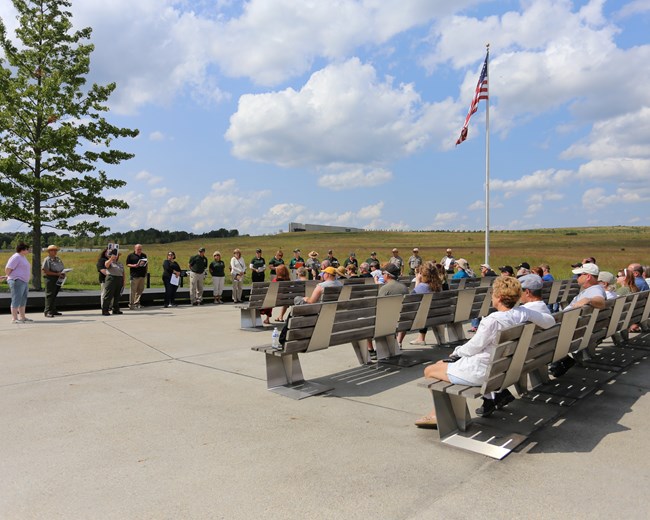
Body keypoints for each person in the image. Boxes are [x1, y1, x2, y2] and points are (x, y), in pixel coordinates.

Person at [415, 277, 556, 428]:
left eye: (493, 294)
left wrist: (456, 352)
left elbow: (472, 348)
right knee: (440, 365)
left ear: (500, 298)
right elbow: (550, 321)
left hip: (483, 372)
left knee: (429, 370)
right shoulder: (523, 313)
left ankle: (441, 416)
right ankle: (437, 413)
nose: (491, 297)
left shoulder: (492, 320)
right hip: (503, 370)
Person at [475, 274, 552, 416]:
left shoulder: (523, 311)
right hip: (534, 354)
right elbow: (550, 322)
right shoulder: (538, 309)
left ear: (527, 292)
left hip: (514, 361)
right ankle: (496, 396)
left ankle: (494, 397)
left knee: (486, 355)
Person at [549, 263, 607, 378]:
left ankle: (563, 360)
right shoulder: (593, 289)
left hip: (569, 332)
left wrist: (588, 300)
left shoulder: (594, 291)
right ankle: (563, 360)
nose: (577, 278)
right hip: (577, 330)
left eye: (579, 275)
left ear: (588, 276)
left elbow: (601, 302)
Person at [407, 262, 444, 346]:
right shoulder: (438, 286)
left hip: (423, 316)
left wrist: (417, 281)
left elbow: (411, 299)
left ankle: (400, 341)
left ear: (423, 275)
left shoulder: (422, 287)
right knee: (425, 309)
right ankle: (421, 338)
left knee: (423, 310)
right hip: (438, 314)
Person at [5, 242, 32, 324]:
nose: (29, 251)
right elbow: (8, 268)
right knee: (16, 299)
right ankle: (14, 318)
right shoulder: (16, 257)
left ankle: (22, 317)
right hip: (17, 280)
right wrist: (8, 276)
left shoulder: (23, 257)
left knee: (23, 300)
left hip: (24, 281)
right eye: (27, 249)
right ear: (22, 250)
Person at [41, 244, 66, 317]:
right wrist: (57, 274)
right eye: (53, 250)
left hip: (58, 278)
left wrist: (63, 273)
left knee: (54, 294)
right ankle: (47, 311)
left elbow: (61, 267)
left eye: (56, 250)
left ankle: (53, 310)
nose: (55, 252)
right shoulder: (47, 260)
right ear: (49, 252)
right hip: (50, 278)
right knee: (49, 295)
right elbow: (45, 271)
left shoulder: (58, 259)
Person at [102, 249, 125, 316]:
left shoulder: (119, 263)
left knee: (117, 295)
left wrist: (123, 281)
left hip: (119, 279)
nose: (116, 256)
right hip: (111, 278)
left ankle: (116, 309)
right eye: (114, 255)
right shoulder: (108, 262)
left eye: (117, 255)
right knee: (108, 295)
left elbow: (123, 273)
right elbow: (106, 265)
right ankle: (105, 310)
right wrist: (111, 259)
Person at [126, 244, 147, 310]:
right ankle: (131, 304)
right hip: (134, 276)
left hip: (142, 275)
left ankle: (137, 303)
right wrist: (134, 265)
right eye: (138, 249)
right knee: (133, 291)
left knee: (140, 290)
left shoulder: (144, 255)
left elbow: (146, 264)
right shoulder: (131, 256)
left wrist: (145, 272)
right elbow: (127, 264)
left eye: (140, 249)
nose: (139, 250)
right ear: (135, 249)